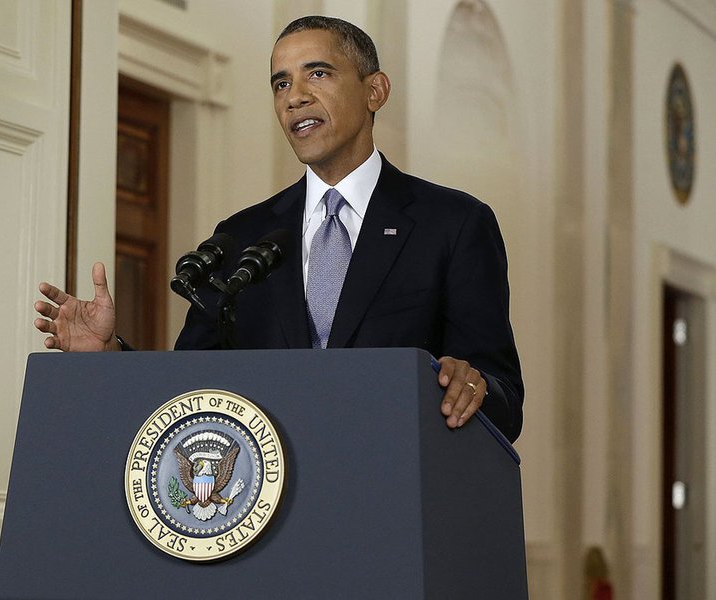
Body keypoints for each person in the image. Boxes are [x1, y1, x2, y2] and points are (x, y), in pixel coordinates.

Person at [35, 16, 523, 443]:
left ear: (375, 90)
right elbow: (189, 392)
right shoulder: (241, 236)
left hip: (391, 501)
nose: (295, 98)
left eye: (318, 73)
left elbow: (503, 396)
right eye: (280, 83)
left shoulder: (454, 223)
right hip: (264, 513)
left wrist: (473, 385)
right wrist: (109, 356)